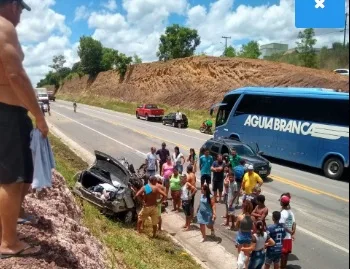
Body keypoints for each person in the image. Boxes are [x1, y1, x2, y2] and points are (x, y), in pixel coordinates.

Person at [0, 0, 49, 258]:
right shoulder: (3, 26)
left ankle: (14, 216)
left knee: (24, 174)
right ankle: (8, 243)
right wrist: (39, 117)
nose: (20, 13)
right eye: (19, 7)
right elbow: (15, 74)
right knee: (11, 177)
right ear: (9, 4)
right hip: (7, 113)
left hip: (12, 113)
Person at [235, 200, 254, 268]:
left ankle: (239, 266)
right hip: (248, 236)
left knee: (240, 253)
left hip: (241, 235)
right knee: (247, 253)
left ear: (244, 207)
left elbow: (236, 226)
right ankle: (245, 266)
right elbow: (253, 228)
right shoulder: (252, 218)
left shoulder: (240, 217)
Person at [279, 195, 296, 269]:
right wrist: (292, 232)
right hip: (288, 237)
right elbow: (294, 223)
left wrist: (289, 231)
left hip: (283, 237)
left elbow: (282, 225)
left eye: (280, 201)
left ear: (282, 203)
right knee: (286, 255)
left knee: (282, 255)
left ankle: (282, 267)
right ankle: (284, 267)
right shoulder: (291, 213)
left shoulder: (283, 213)